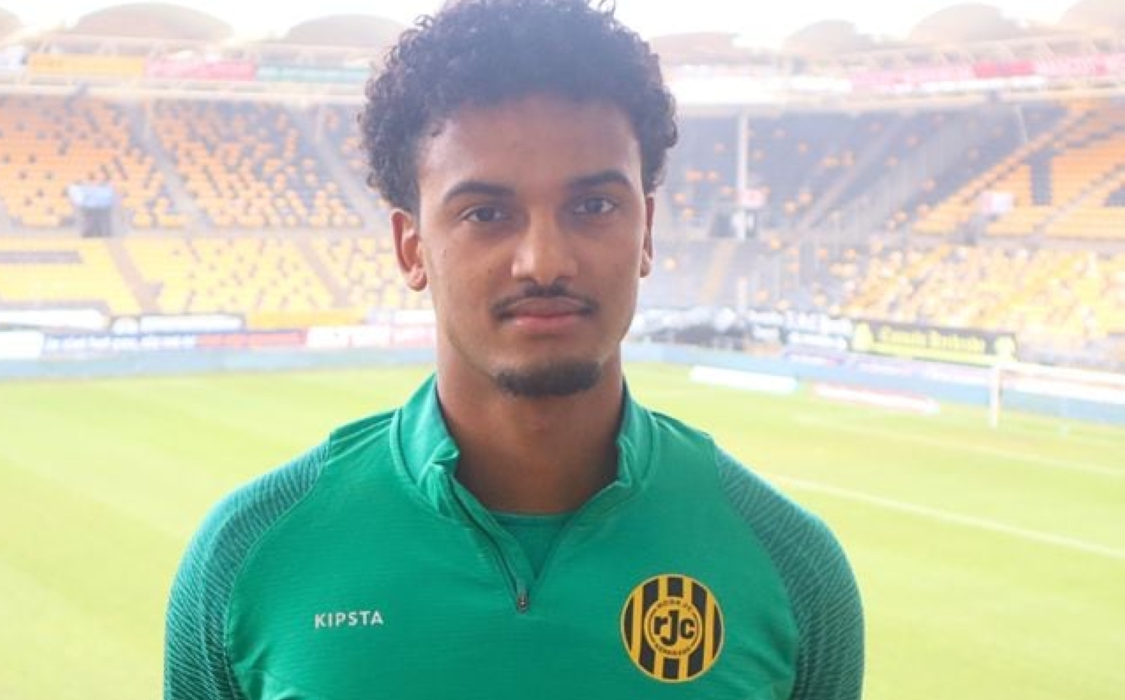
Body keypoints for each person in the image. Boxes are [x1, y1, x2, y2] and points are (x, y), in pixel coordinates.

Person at [164, 0, 864, 698]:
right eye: (486, 214)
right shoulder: (247, 559)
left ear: (646, 231)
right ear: (411, 247)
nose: (544, 261)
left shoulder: (791, 568)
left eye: (593, 206)